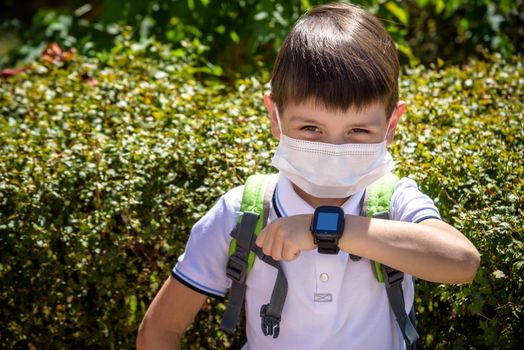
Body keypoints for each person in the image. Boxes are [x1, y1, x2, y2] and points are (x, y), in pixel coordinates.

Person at [136, 3, 480, 349]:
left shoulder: (393, 201)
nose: (333, 148)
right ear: (275, 116)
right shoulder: (243, 211)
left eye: (358, 130)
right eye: (311, 127)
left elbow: (462, 262)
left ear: (391, 125)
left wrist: (326, 229)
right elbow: (160, 328)